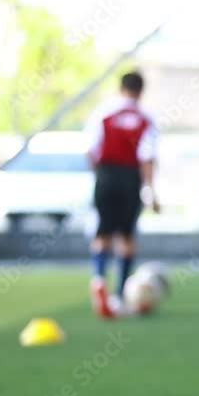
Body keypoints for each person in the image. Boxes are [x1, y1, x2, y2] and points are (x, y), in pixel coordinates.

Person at [85, 71, 160, 318]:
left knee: (103, 233)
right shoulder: (146, 118)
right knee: (127, 237)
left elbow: (90, 151)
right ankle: (120, 294)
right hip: (130, 178)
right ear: (141, 91)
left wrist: (102, 175)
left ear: (121, 88)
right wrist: (150, 191)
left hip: (106, 175)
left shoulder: (103, 113)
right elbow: (147, 158)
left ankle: (98, 280)